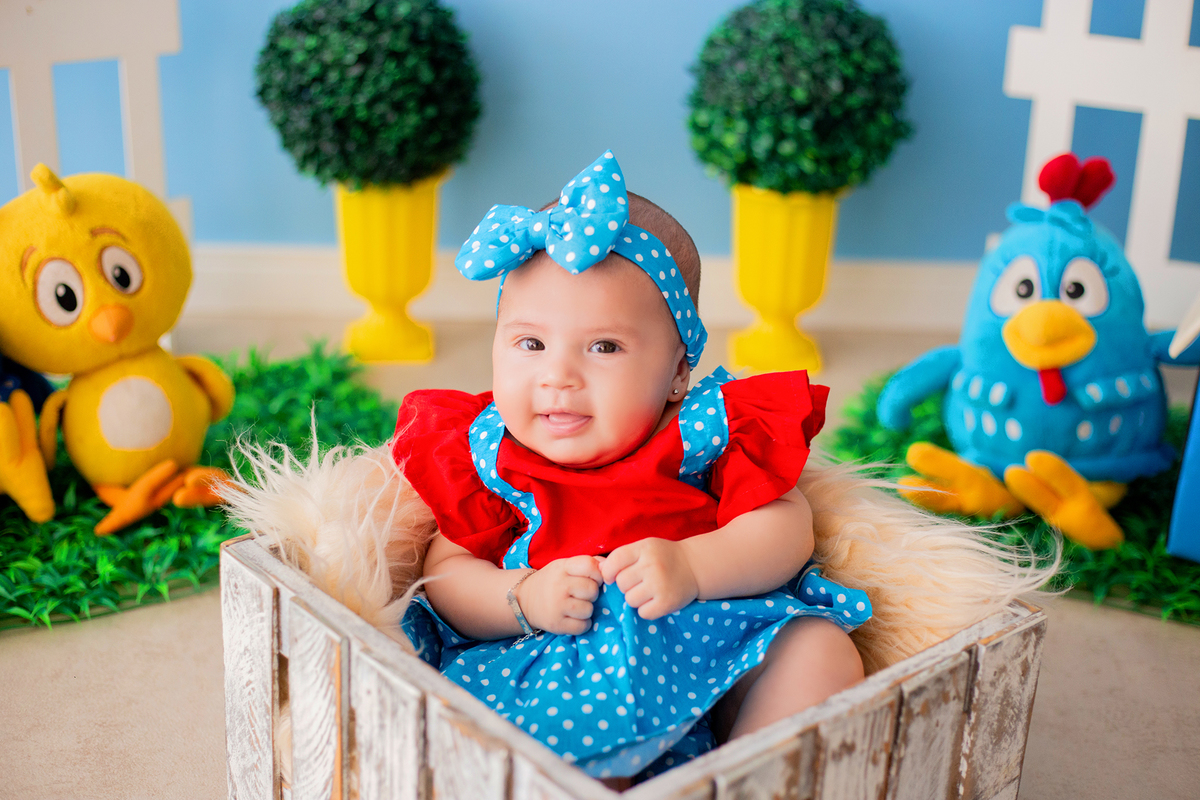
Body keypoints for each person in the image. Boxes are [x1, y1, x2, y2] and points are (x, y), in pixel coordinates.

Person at [392, 151, 871, 782]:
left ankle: (733, 780)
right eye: (530, 344)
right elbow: (447, 573)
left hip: (707, 640)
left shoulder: (700, 431)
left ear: (677, 373)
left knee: (819, 652)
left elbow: (786, 524)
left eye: (604, 346)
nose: (557, 376)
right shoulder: (490, 453)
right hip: (563, 670)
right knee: (546, 754)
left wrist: (695, 566)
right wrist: (522, 598)